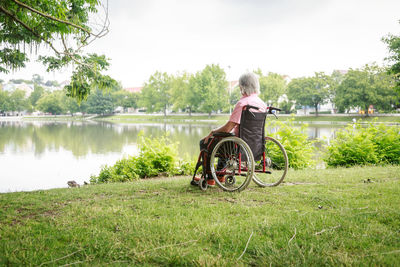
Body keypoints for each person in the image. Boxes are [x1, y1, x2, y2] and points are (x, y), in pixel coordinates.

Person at [199, 72, 267, 185]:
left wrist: (212, 132)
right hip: (255, 144)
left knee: (206, 142)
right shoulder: (262, 104)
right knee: (224, 141)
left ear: (242, 86)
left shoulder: (242, 103)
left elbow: (227, 128)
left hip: (238, 145)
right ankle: (220, 175)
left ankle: (210, 178)